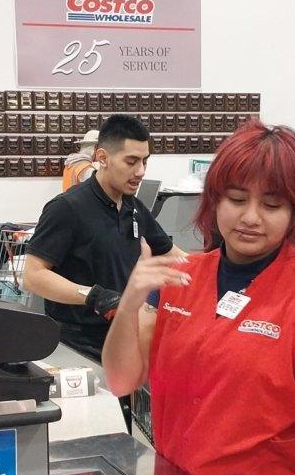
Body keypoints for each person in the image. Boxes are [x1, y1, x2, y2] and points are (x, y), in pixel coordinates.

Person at [101, 121, 295, 475]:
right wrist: (130, 303)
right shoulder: (179, 279)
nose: (251, 217)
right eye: (237, 199)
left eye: (272, 205)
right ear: (214, 201)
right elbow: (121, 380)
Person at [24, 114, 183, 364]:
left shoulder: (133, 208)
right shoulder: (67, 208)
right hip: (76, 346)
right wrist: (92, 296)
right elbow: (33, 276)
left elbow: (174, 255)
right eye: (131, 161)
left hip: (124, 337)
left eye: (145, 161)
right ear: (102, 158)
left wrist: (221, 267)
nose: (140, 171)